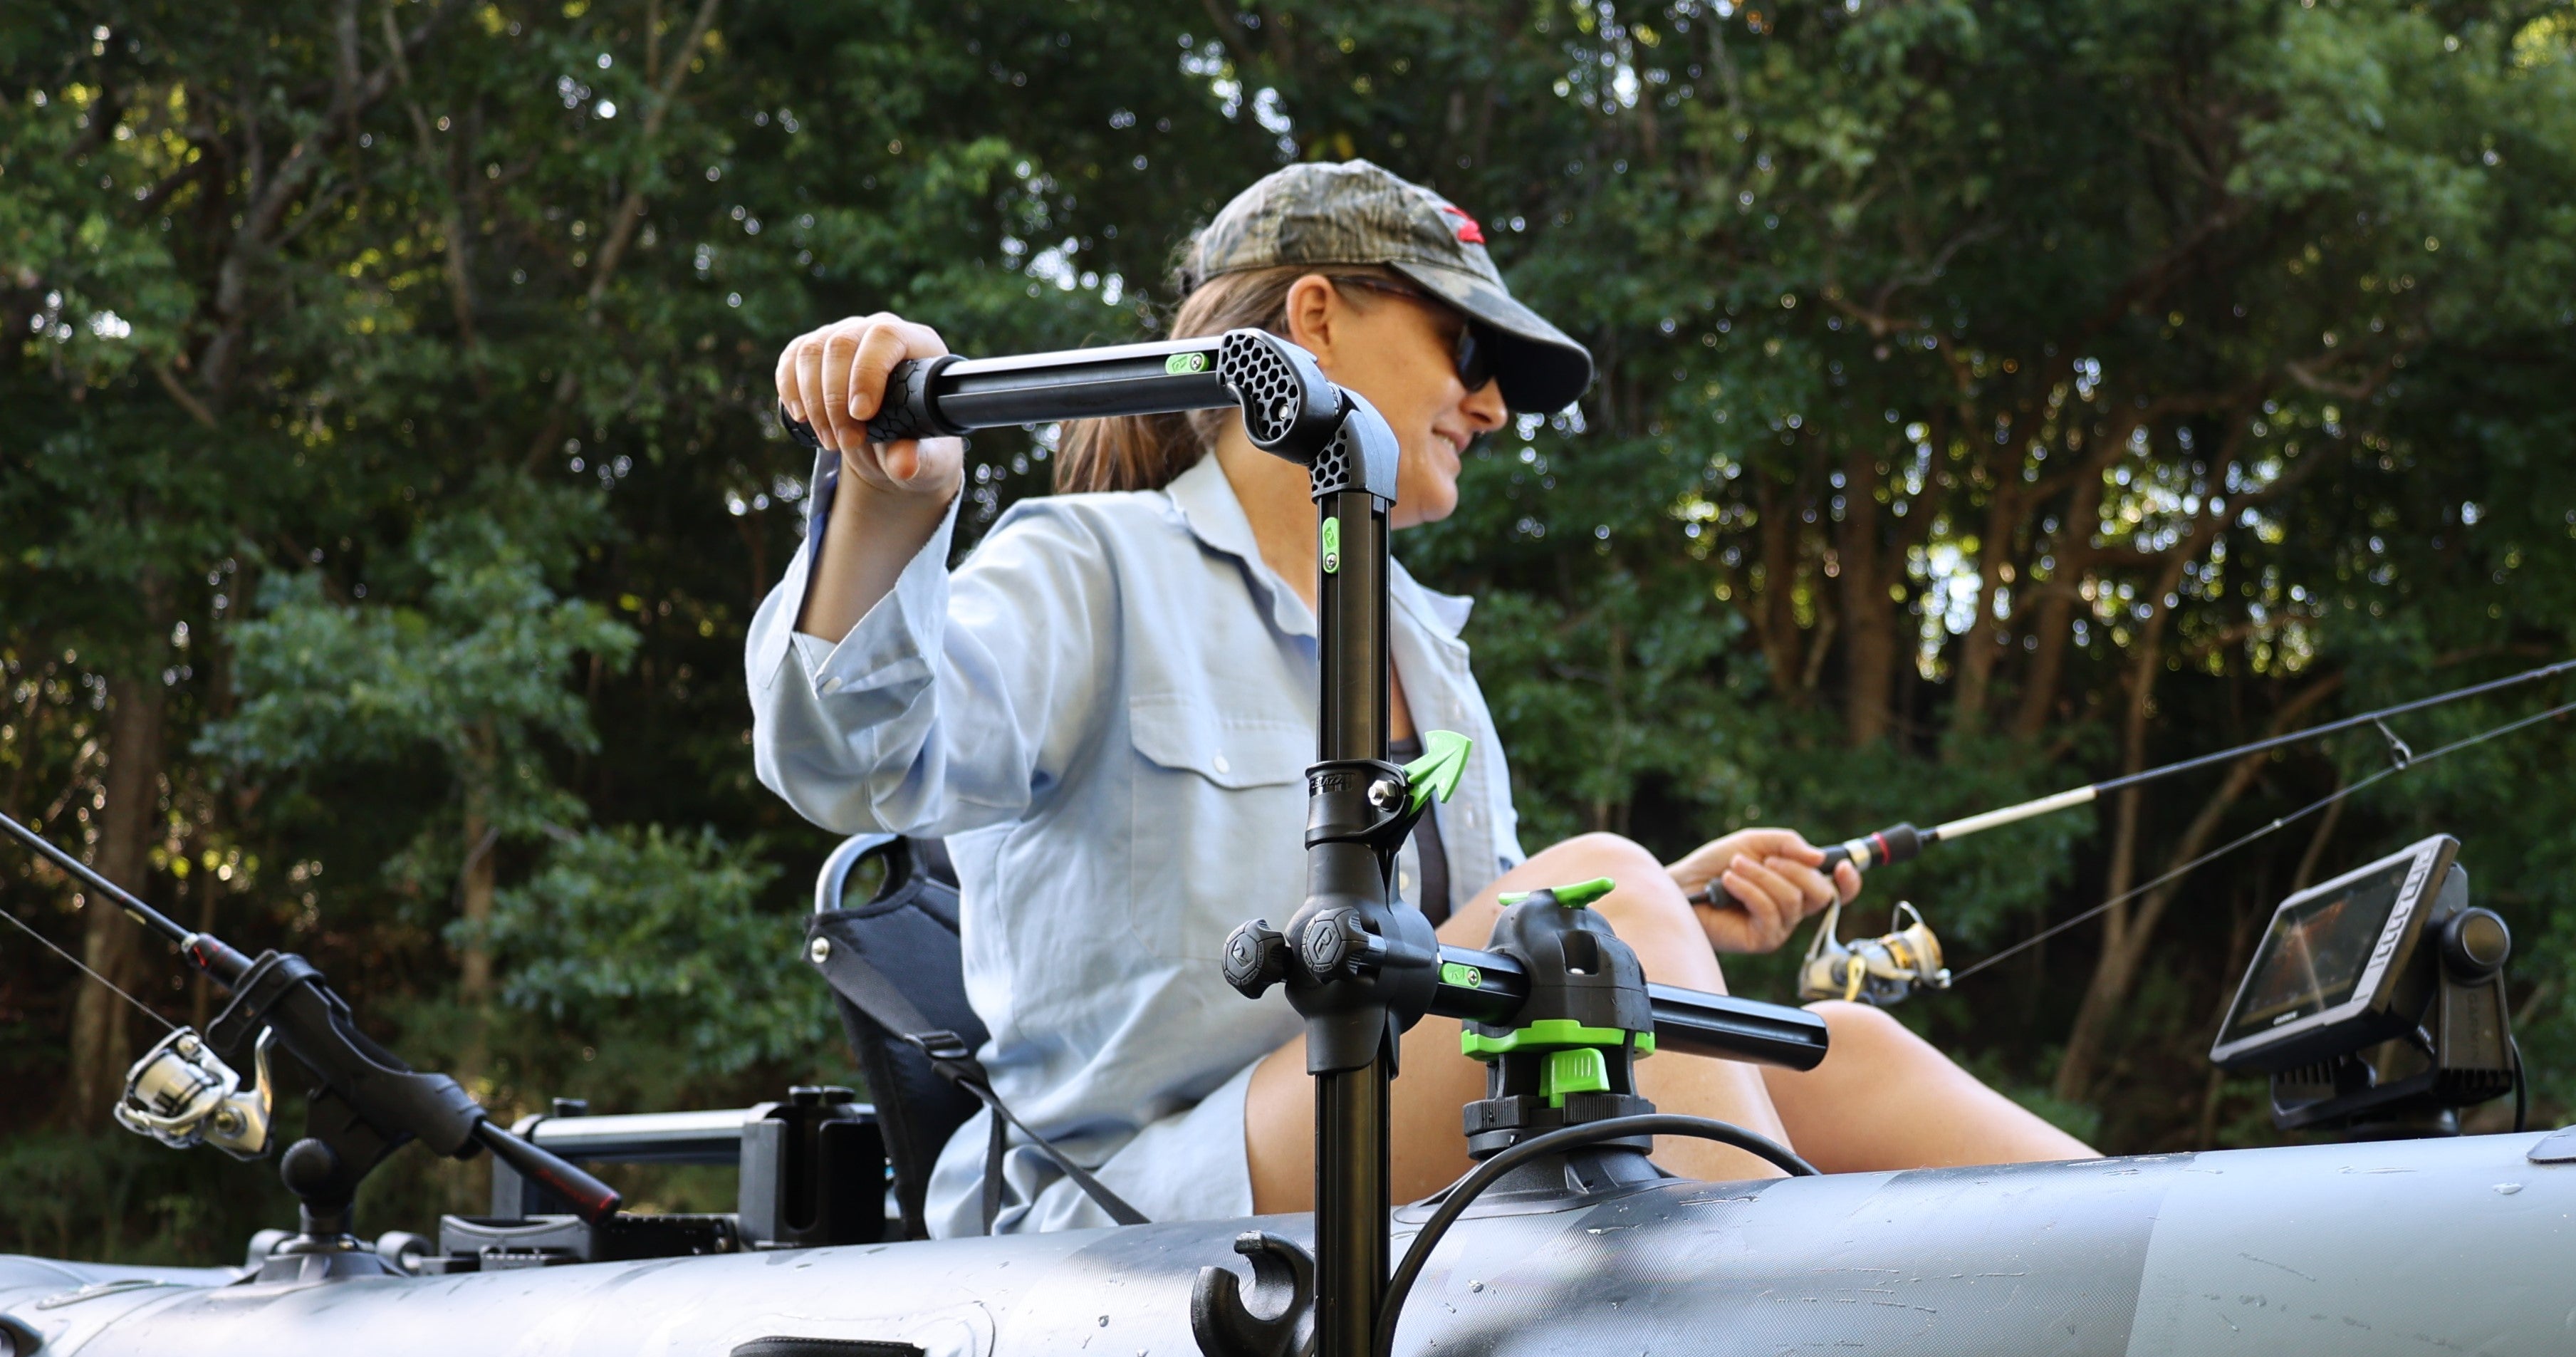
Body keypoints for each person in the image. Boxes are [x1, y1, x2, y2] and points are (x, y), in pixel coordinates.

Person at [751, 160, 2089, 1233]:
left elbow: (1465, 947)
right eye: (1465, 346)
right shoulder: (1093, 563)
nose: (1492, 404)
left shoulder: (1423, 653)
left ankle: (2204, 1313)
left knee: (1833, 1040)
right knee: (1602, 889)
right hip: (1135, 1199)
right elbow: (855, 759)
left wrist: (1668, 914)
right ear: (1317, 315)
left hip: (1365, 1119)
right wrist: (888, 496)